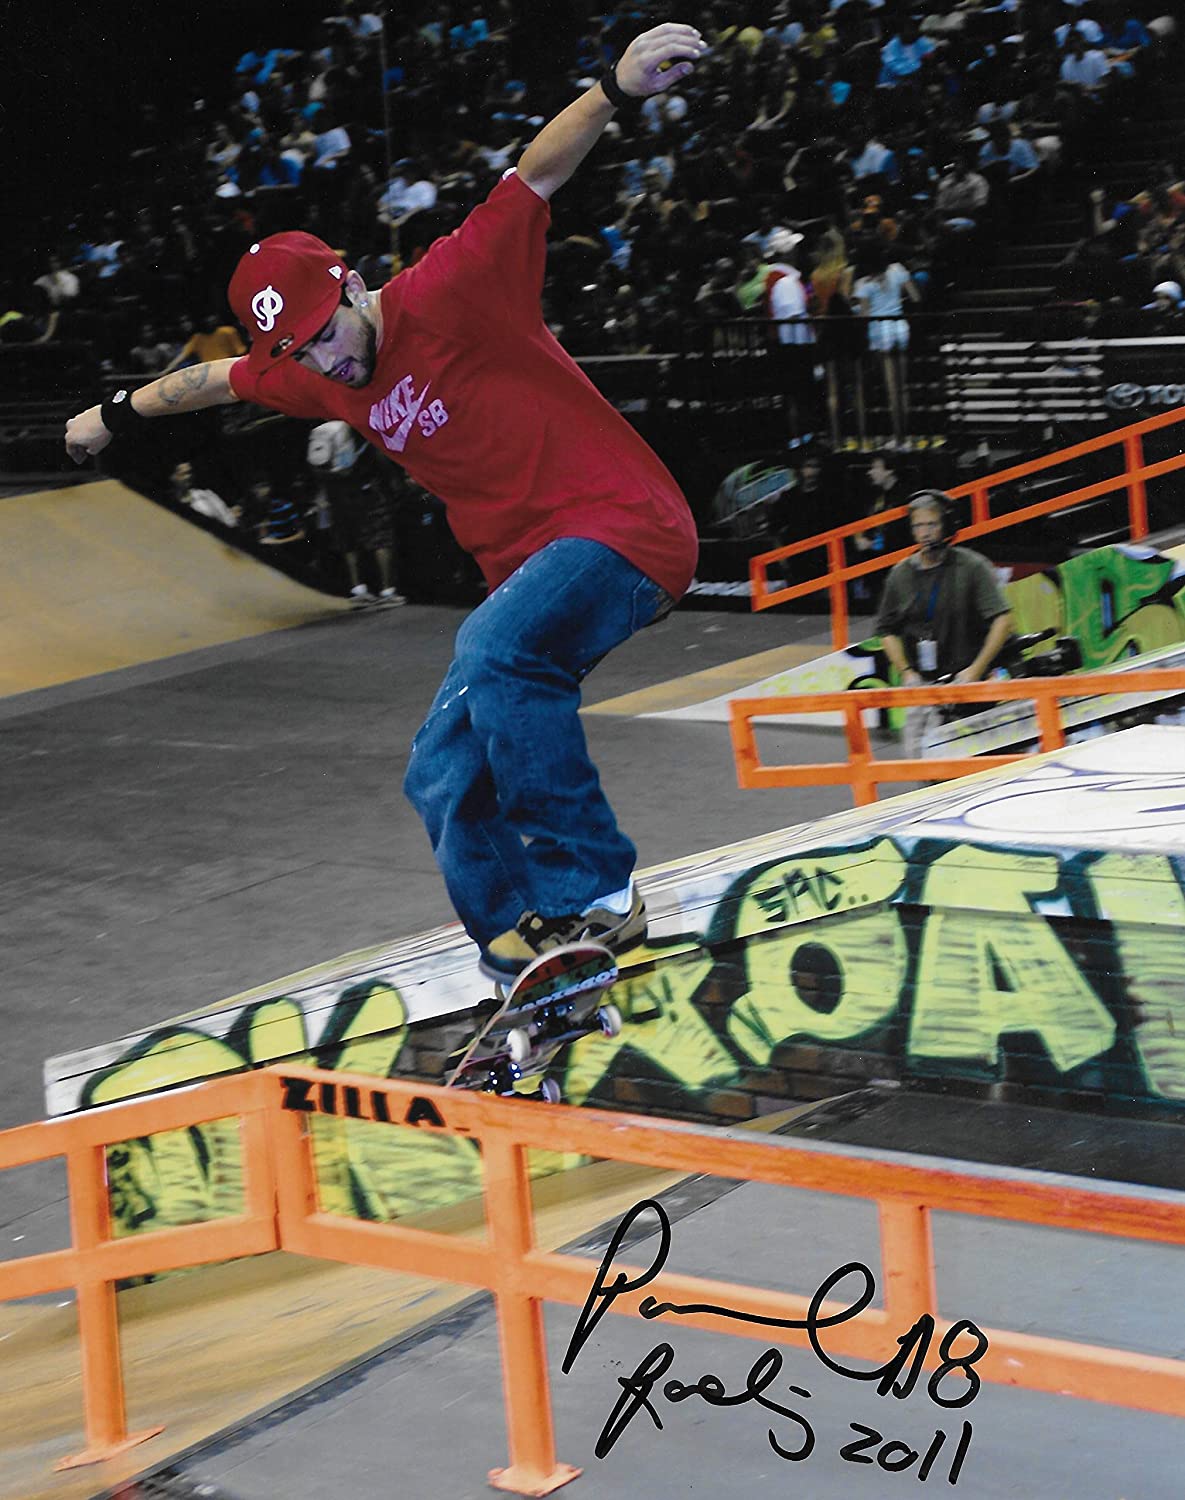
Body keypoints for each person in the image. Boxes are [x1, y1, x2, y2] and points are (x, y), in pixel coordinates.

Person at [63, 21, 707, 982]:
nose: (330, 358)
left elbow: (532, 175)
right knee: (441, 770)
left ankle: (596, 897)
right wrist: (113, 412)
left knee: (496, 652)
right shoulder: (317, 376)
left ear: (354, 284)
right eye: (306, 352)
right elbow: (214, 380)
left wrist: (615, 89)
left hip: (624, 528)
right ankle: (523, 952)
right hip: (533, 572)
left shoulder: (449, 289)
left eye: (331, 331)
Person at [876, 491, 1014, 759]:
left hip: (967, 681)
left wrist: (976, 669)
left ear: (947, 526)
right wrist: (905, 671)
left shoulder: (971, 567)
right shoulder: (901, 574)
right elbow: (886, 630)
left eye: (931, 524)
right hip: (923, 685)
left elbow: (1003, 619)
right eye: (918, 526)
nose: (924, 533)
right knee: (921, 761)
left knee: (978, 761)